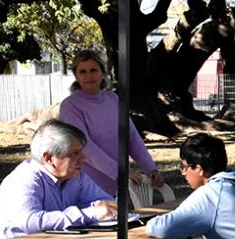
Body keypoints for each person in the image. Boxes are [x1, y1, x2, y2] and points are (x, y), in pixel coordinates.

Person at [59, 49, 164, 196]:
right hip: (86, 187)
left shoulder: (113, 99)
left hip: (120, 185)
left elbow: (131, 137)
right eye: (83, 72)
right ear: (76, 76)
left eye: (93, 70)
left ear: (103, 72)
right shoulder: (70, 106)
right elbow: (84, 147)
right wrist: (119, 171)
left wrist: (151, 168)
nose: (89, 76)